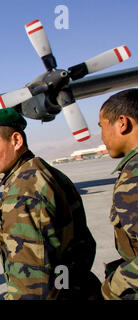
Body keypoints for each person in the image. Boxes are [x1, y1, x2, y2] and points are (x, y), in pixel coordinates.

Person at [0, 108, 101, 300]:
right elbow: (81, 248)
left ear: (16, 141)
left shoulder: (22, 192)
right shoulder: (49, 173)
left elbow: (33, 288)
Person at [97, 89, 138, 300]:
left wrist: (113, 287)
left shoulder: (134, 177)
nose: (102, 136)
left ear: (122, 123)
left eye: (102, 126)